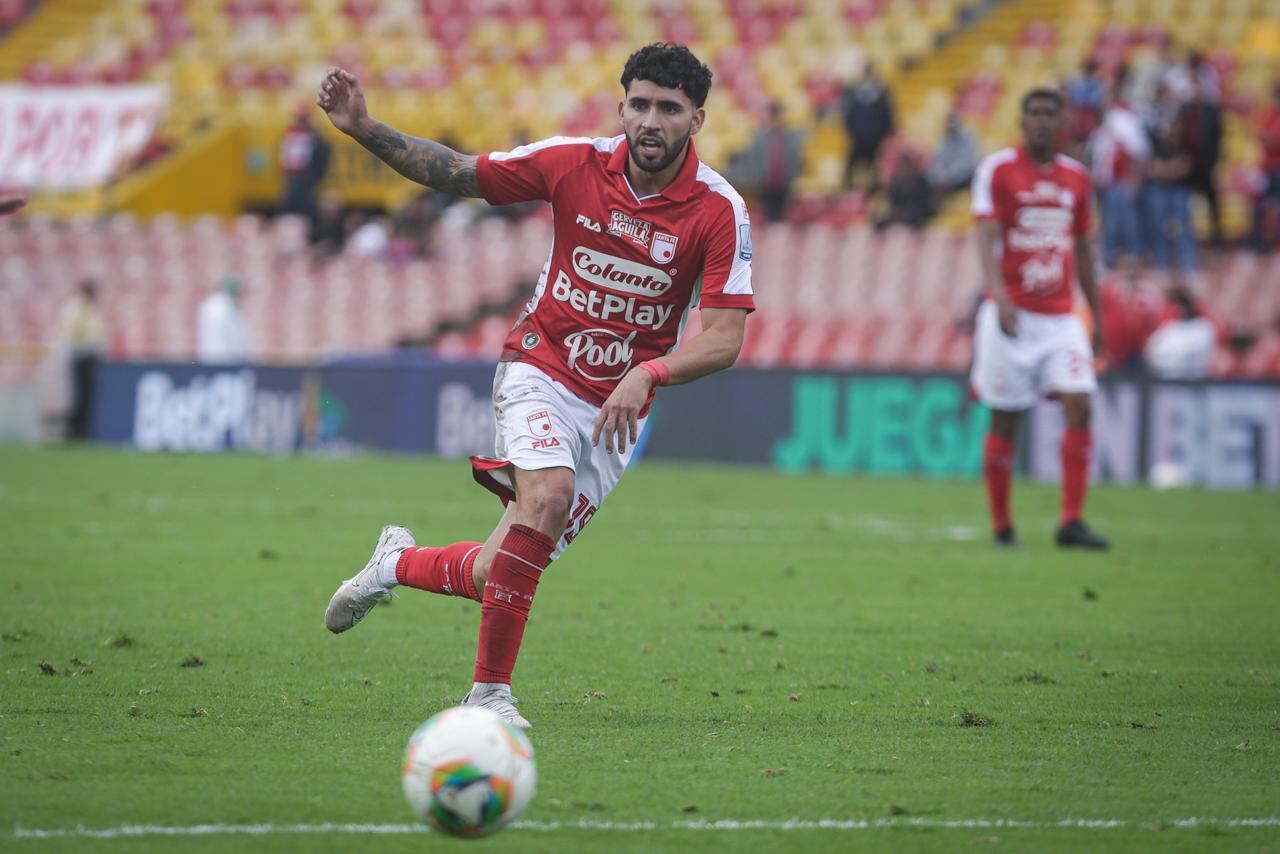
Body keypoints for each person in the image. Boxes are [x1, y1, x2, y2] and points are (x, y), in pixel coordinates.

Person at [316, 43, 754, 728]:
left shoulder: (718, 210)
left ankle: (393, 565)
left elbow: (726, 338)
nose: (649, 119)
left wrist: (649, 371)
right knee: (546, 495)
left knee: (499, 574)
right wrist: (366, 128)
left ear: (695, 120)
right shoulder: (573, 163)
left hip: (616, 415)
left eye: (668, 109)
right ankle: (490, 696)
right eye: (639, 103)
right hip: (540, 367)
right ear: (621, 106)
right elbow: (458, 172)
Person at [970, 88, 1109, 550]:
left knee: (1081, 403)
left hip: (1061, 317)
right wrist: (1000, 295)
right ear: (1022, 119)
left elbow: (1084, 250)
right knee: (1006, 419)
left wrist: (1097, 312)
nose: (1043, 122)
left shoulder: (1077, 180)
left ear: (1063, 121)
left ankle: (1071, 520)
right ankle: (1001, 524)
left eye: (1051, 114)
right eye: (1035, 114)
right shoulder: (999, 170)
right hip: (1012, 314)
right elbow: (986, 236)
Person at [727, 101, 805, 222]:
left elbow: (796, 160)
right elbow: (749, 156)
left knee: (783, 218)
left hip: (785, 183)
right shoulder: (760, 137)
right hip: (765, 183)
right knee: (769, 216)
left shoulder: (791, 137)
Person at [57, 280, 107, 440]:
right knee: (78, 395)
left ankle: (82, 429)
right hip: (80, 357)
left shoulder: (91, 310)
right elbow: (73, 334)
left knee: (86, 396)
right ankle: (74, 430)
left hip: (90, 357)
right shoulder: (76, 309)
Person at [1179, 72, 1223, 246]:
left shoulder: (1212, 111)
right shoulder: (1184, 111)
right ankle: (1189, 237)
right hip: (1189, 165)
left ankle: (1217, 236)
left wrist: (1214, 162)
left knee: (1212, 201)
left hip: (1206, 164)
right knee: (1186, 203)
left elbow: (1217, 139)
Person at [840, 62, 895, 190]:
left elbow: (888, 116)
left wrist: (883, 134)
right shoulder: (853, 93)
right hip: (858, 137)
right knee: (852, 165)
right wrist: (853, 132)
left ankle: (874, 190)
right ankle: (850, 190)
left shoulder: (882, 93)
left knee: (876, 167)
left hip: (876, 138)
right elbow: (848, 116)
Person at [1144, 285, 1216, 379]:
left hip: (1195, 381)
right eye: (1173, 305)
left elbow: (1200, 356)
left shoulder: (1203, 327)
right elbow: (1152, 354)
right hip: (1168, 381)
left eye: (1181, 305)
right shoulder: (1168, 328)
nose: (1178, 309)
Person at [279, 110, 332, 225]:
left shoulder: (315, 139)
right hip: (294, 184)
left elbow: (322, 158)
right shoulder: (291, 136)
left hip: (308, 185)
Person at [1250, 80, 1280, 252]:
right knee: (1259, 205)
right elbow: (1261, 137)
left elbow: (1272, 141)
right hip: (1267, 167)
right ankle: (1260, 242)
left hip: (1278, 167)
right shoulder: (1268, 114)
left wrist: (1268, 139)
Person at [926, 110, 981, 197]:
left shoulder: (967, 138)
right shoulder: (944, 139)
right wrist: (940, 176)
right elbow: (938, 160)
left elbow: (967, 164)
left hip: (963, 179)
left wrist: (949, 177)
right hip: (946, 179)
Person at [196, 276, 251, 363]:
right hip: (222, 359)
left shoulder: (225, 305)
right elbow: (232, 337)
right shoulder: (221, 306)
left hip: (223, 359)